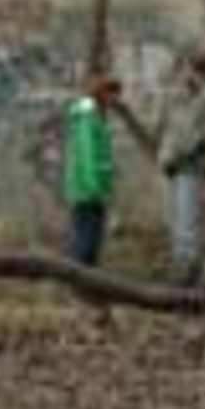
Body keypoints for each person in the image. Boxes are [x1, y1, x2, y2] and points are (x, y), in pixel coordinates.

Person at [153, 46, 205, 286]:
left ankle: (188, 273)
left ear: (199, 71)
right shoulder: (185, 97)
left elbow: (193, 138)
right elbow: (165, 128)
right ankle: (182, 267)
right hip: (176, 167)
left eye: (188, 70)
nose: (184, 77)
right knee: (177, 221)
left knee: (188, 222)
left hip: (192, 168)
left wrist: (173, 156)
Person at [61, 71, 119, 267]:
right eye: (112, 94)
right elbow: (88, 156)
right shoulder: (89, 119)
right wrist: (96, 188)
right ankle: (82, 280)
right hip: (88, 191)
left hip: (88, 188)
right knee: (87, 238)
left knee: (87, 235)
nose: (115, 100)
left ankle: (83, 278)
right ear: (102, 93)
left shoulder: (92, 116)